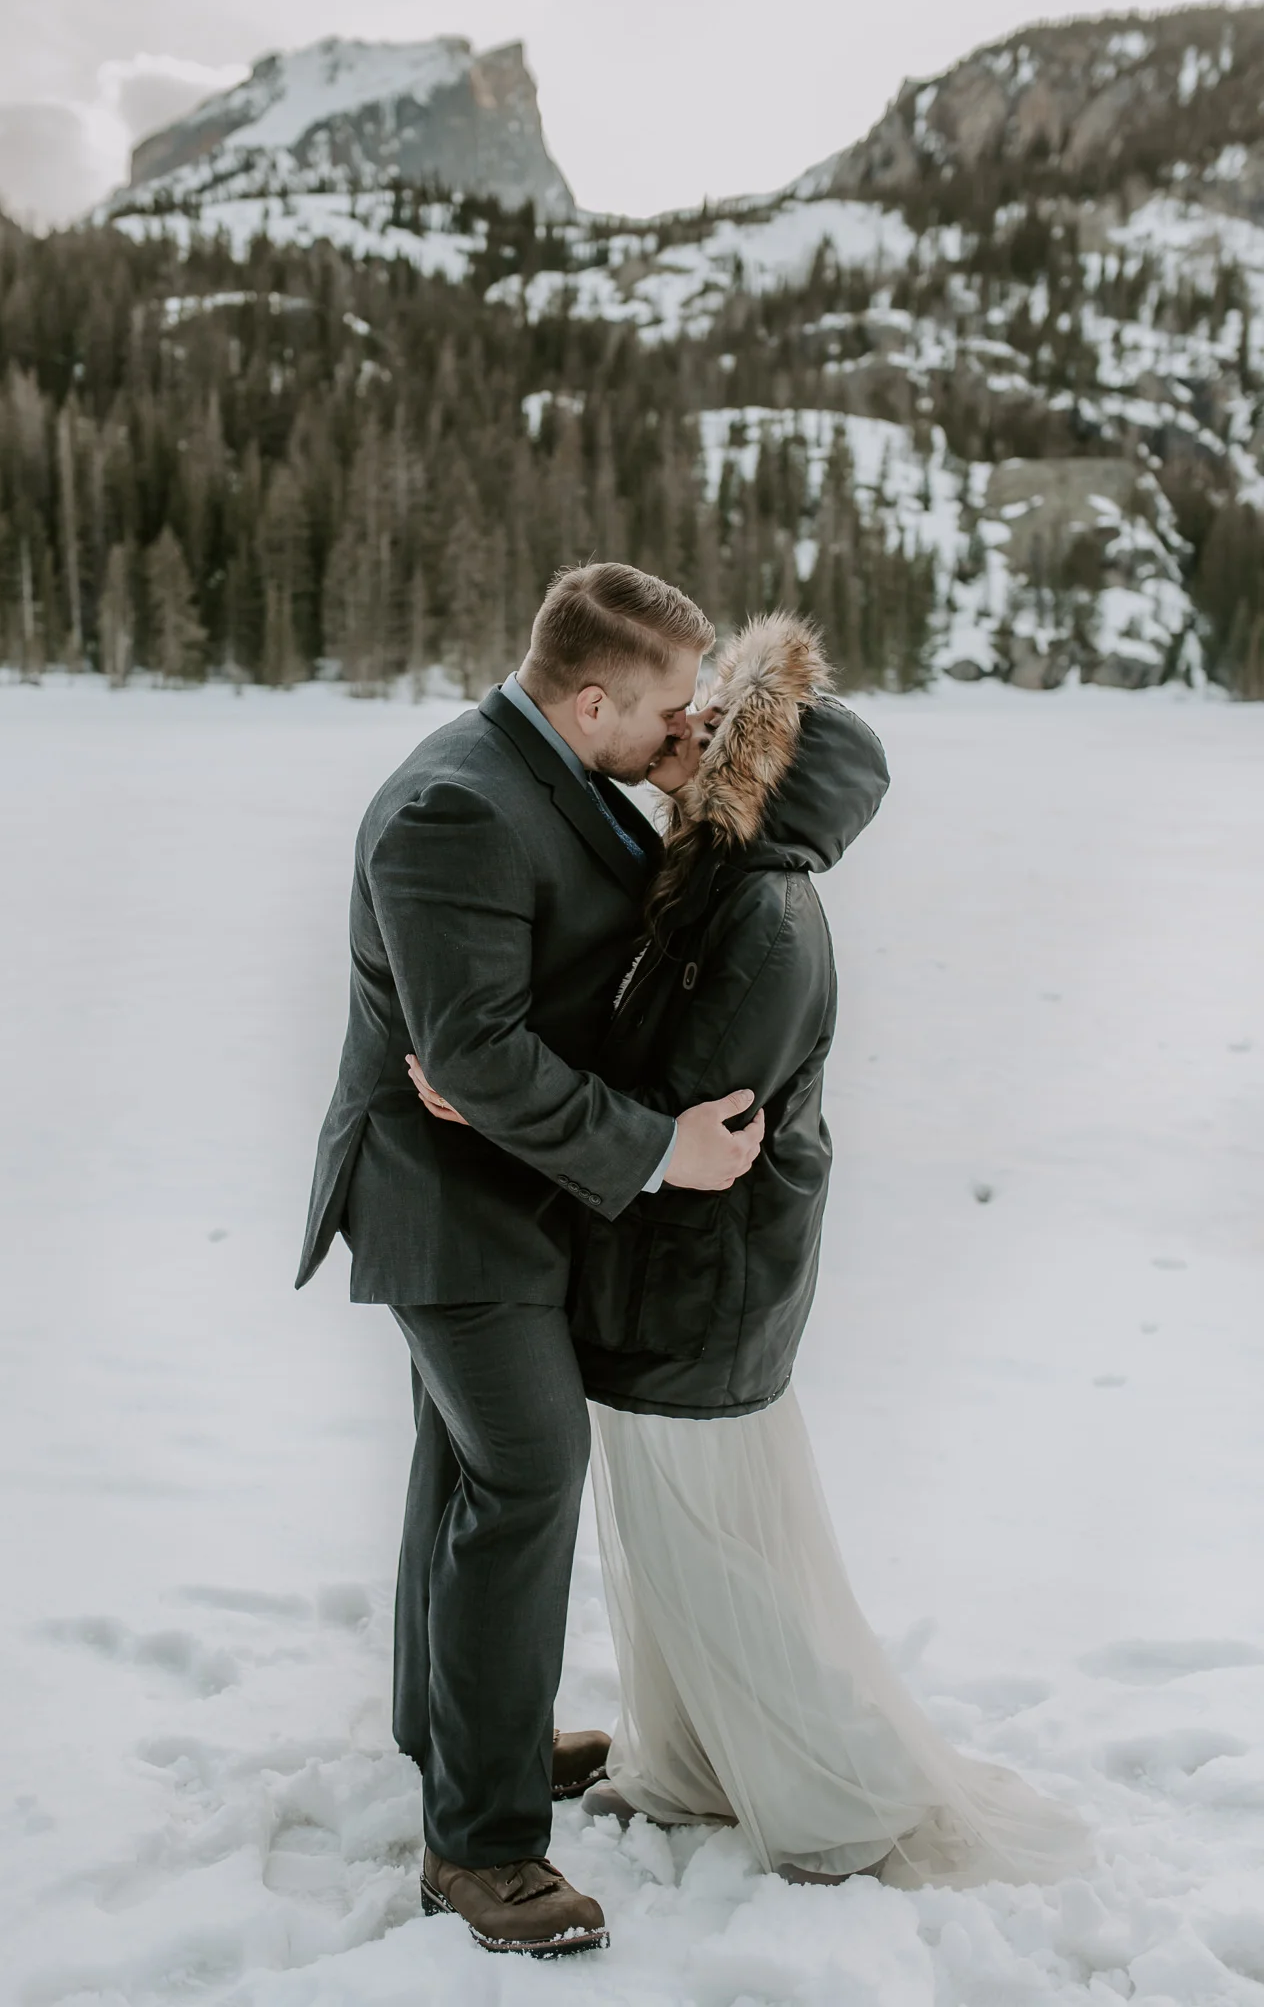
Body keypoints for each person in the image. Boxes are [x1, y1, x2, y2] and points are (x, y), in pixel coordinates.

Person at [412, 611, 1090, 1890]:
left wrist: (495, 1096)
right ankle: (704, 1756)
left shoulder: (763, 914)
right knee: (677, 1550)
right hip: (677, 1274)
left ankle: (838, 1789)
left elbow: (684, 1105)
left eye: (726, 730)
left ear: (768, 778)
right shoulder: (711, 880)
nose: (694, 731)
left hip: (705, 1288)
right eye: (703, 715)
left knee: (722, 1558)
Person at [295, 562, 767, 1959]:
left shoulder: (551, 770)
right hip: (447, 1209)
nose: (688, 732)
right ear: (591, 698)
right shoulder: (457, 805)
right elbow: (476, 1057)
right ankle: (484, 1848)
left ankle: (449, 1729)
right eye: (673, 710)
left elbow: (504, 1043)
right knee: (524, 1477)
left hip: (505, 1186)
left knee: (464, 1463)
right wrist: (654, 1149)